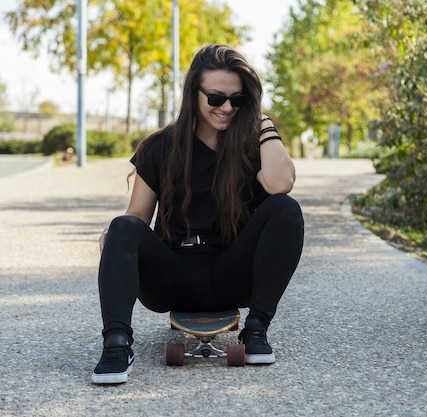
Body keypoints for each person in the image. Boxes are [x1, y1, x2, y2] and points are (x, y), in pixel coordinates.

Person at [91, 44, 305, 384]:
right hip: (171, 279)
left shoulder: (253, 148)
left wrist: (262, 120)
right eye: (216, 97)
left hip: (232, 276)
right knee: (122, 226)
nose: (227, 107)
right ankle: (116, 345)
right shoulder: (160, 147)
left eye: (238, 99)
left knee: (286, 209)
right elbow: (137, 218)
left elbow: (281, 184)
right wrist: (117, 239)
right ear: (194, 93)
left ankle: (255, 331)